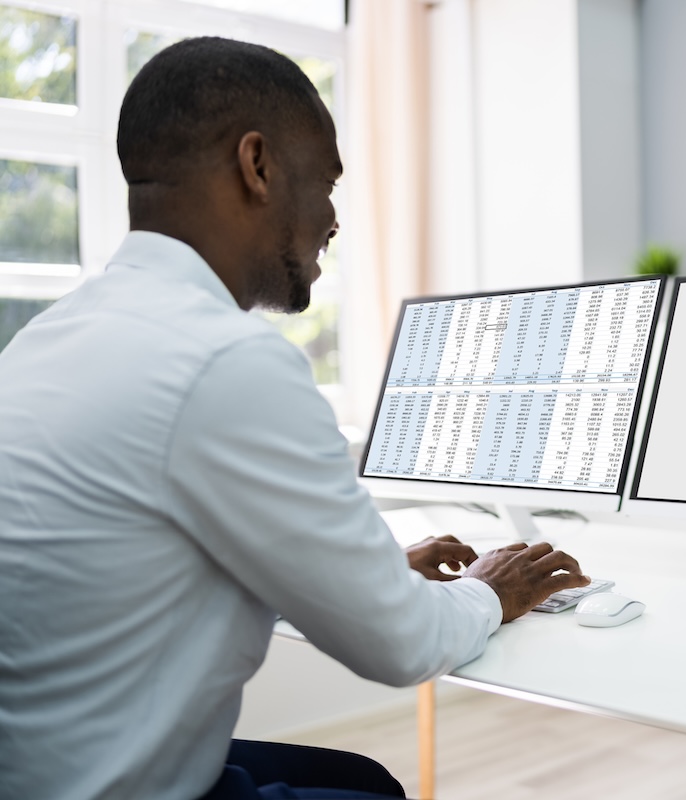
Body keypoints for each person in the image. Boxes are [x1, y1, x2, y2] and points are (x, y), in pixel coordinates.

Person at [0, 36, 590, 800]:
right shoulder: (224, 360)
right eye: (328, 182)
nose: (334, 219)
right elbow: (402, 647)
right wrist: (488, 589)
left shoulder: (47, 337)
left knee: (361, 778)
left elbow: (124, 565)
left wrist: (351, 578)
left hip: (37, 766)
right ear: (259, 166)